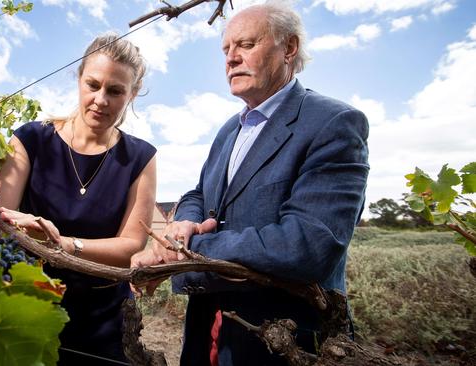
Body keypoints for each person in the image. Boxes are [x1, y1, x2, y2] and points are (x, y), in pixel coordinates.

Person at [131, 2, 369, 365]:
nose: (231, 59)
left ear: (288, 48)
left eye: (245, 45)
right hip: (206, 330)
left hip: (281, 342)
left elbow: (307, 244)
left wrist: (188, 252)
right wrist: (183, 225)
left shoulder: (333, 123)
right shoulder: (230, 128)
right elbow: (198, 194)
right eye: (226, 50)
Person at [0, 33, 156, 365]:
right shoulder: (31, 139)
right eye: (93, 85)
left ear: (132, 94)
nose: (101, 99)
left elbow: (131, 247)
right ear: (79, 79)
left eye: (116, 91)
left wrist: (64, 245)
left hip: (103, 321)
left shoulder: (140, 157)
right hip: (29, 305)